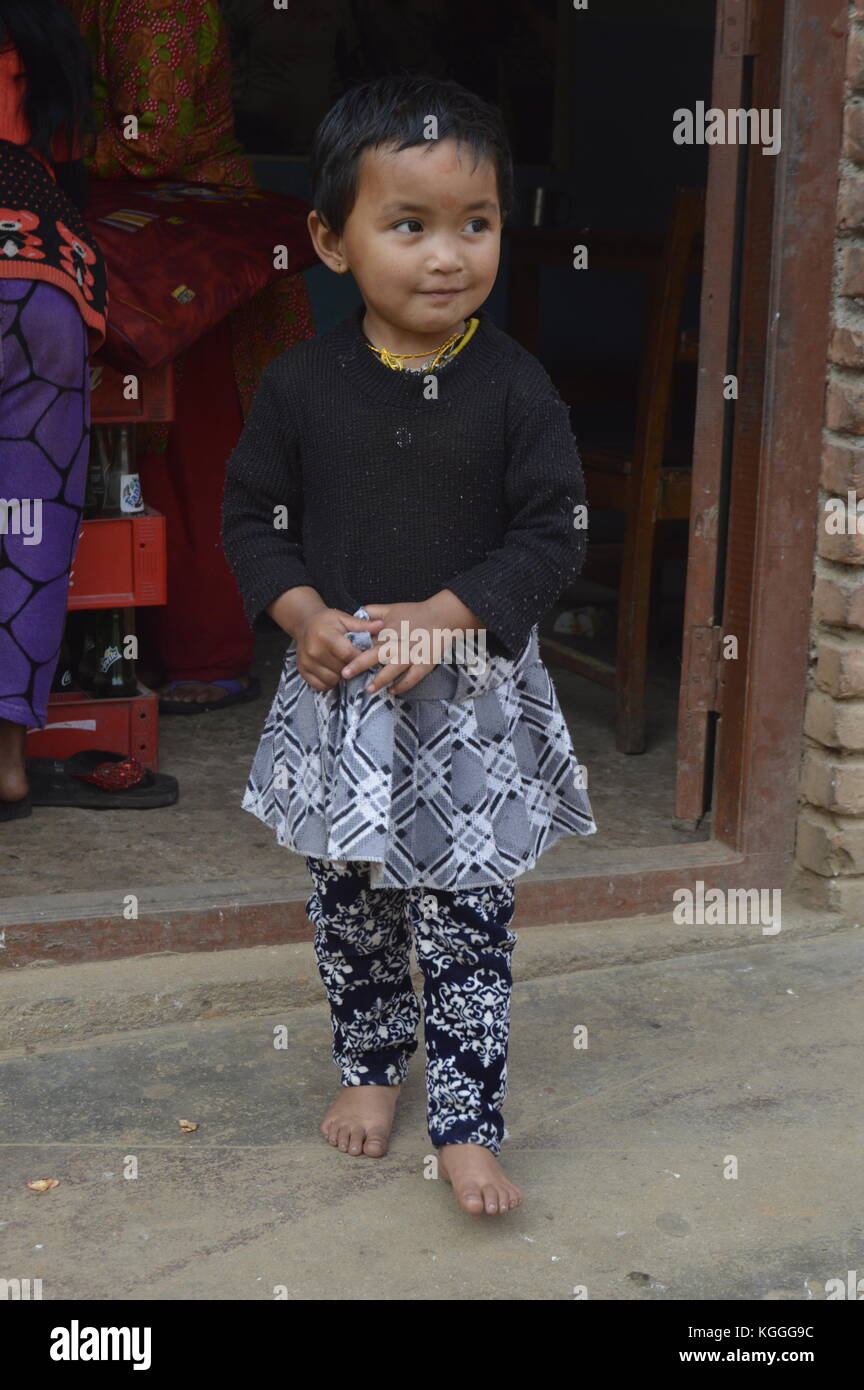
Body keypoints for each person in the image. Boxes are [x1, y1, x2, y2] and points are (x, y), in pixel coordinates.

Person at [221, 75, 597, 1216]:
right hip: (346, 700)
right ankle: (371, 1068)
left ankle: (470, 1121)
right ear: (331, 241)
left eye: (474, 224)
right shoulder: (298, 386)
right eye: (411, 225)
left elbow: (555, 531)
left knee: (469, 916)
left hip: (469, 704)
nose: (448, 256)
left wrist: (452, 612)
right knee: (353, 906)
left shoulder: (516, 387)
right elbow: (252, 520)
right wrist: (301, 616)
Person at [64, 0, 315, 712]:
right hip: (137, 240)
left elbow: (156, 137)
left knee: (192, 452)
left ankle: (209, 655)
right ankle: (142, 648)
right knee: (139, 454)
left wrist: (40, 152)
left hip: (192, 249)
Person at [0, 0, 107, 819]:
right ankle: (8, 767)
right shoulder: (45, 30)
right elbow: (74, 165)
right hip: (48, 284)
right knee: (27, 530)